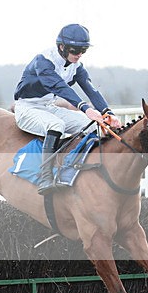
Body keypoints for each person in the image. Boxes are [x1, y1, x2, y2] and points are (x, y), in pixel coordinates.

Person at [13, 23, 121, 195]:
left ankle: (75, 169)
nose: (78, 55)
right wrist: (85, 107)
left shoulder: (76, 66)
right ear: (61, 47)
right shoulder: (43, 61)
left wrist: (108, 113)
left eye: (83, 51)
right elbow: (59, 87)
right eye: (74, 50)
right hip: (27, 108)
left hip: (49, 107)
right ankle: (45, 177)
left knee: (91, 124)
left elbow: (91, 91)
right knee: (56, 126)